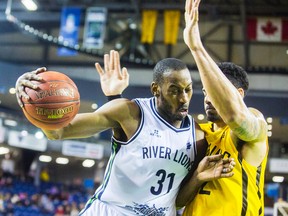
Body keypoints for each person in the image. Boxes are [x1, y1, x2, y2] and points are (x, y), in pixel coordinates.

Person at [15, 50, 235, 216]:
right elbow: (59, 133)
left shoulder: (197, 137)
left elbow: (177, 201)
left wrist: (196, 178)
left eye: (188, 90)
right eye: (175, 90)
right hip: (111, 210)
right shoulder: (129, 112)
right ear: (156, 89)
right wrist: (31, 102)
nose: (184, 98)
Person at [175, 0, 269, 215]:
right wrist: (198, 177)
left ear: (239, 94)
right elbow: (178, 202)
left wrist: (196, 48)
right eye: (206, 92)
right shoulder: (198, 134)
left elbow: (236, 116)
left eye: (215, 93)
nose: (208, 98)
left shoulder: (253, 125)